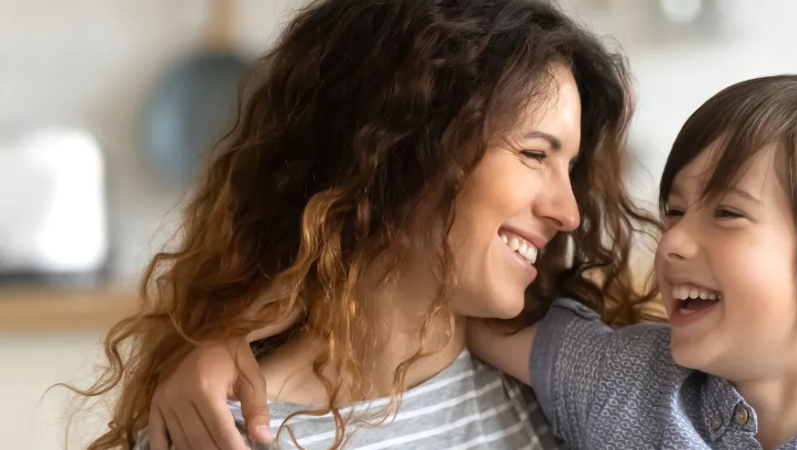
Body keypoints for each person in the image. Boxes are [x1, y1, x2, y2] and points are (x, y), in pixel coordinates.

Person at [68, 0, 660, 449]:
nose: (569, 211)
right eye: (535, 155)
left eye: (571, 167)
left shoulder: (566, 393)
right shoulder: (222, 432)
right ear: (408, 149)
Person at [468, 75, 797, 450]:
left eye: (727, 213)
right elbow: (468, 308)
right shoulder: (623, 379)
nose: (673, 242)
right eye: (676, 212)